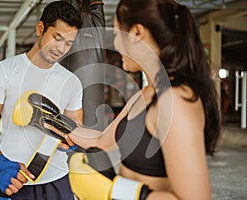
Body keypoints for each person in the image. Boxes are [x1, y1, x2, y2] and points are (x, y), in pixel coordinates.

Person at [45, 0, 221, 199]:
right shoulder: (144, 94)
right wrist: (51, 120)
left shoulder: (176, 101)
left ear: (136, 33)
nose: (115, 43)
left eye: (117, 33)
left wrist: (115, 191)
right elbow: (101, 140)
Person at [0, 1, 83, 199]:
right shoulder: (4, 71)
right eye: (57, 38)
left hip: (59, 181)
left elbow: (75, 125)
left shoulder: (72, 81)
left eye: (68, 43)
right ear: (40, 28)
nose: (61, 49)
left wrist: (72, 139)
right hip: (16, 179)